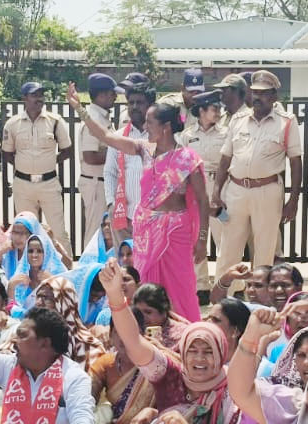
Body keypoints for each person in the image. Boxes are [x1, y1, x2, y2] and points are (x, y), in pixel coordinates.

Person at [70, 93, 208, 319]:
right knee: (145, 281)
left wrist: (202, 239)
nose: (145, 126)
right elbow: (105, 136)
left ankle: (184, 329)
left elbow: (203, 201)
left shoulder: (188, 159)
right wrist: (80, 109)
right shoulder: (144, 149)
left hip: (176, 230)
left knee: (180, 284)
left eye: (149, 122)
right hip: (146, 231)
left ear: (165, 127)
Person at [100, 261, 237, 424]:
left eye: (209, 352)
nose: (199, 359)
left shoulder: (233, 389)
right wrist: (115, 295)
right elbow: (133, 342)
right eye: (192, 351)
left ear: (221, 354)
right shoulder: (171, 374)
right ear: (183, 352)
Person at [212, 70, 302, 278]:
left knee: (264, 250)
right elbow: (225, 158)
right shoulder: (239, 119)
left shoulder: (287, 121)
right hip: (236, 189)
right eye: (254, 93)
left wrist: (294, 200)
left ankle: (260, 299)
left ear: (274, 97)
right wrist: (217, 192)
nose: (257, 97)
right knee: (229, 248)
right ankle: (225, 298)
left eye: (263, 93)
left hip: (267, 190)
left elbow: (296, 161)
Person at [2, 82, 72, 254]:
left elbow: (67, 150)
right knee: (25, 231)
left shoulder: (55, 122)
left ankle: (67, 269)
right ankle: (27, 268)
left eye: (41, 95)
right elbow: (7, 153)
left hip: (48, 183)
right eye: (34, 95)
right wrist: (24, 166)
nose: (39, 99)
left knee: (58, 231)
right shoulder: (12, 124)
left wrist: (47, 163)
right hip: (23, 184)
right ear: (24, 98)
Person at [104, 74, 155, 244]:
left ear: (150, 105)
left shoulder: (160, 137)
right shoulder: (118, 137)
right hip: (123, 215)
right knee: (125, 266)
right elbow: (110, 172)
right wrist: (111, 204)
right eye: (131, 103)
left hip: (153, 217)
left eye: (139, 103)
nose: (134, 107)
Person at [182, 89, 225, 290]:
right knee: (197, 235)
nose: (217, 112)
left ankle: (224, 283)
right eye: (213, 108)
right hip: (195, 188)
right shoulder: (187, 135)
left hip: (219, 187)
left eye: (218, 108)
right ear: (201, 111)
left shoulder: (226, 133)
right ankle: (200, 286)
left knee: (223, 237)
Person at [77, 73, 123, 244]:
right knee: (95, 233)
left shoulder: (102, 117)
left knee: (106, 232)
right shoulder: (94, 119)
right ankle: (90, 269)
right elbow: (90, 156)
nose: (115, 97)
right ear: (101, 95)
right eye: (112, 93)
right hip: (96, 183)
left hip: (103, 182)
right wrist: (118, 153)